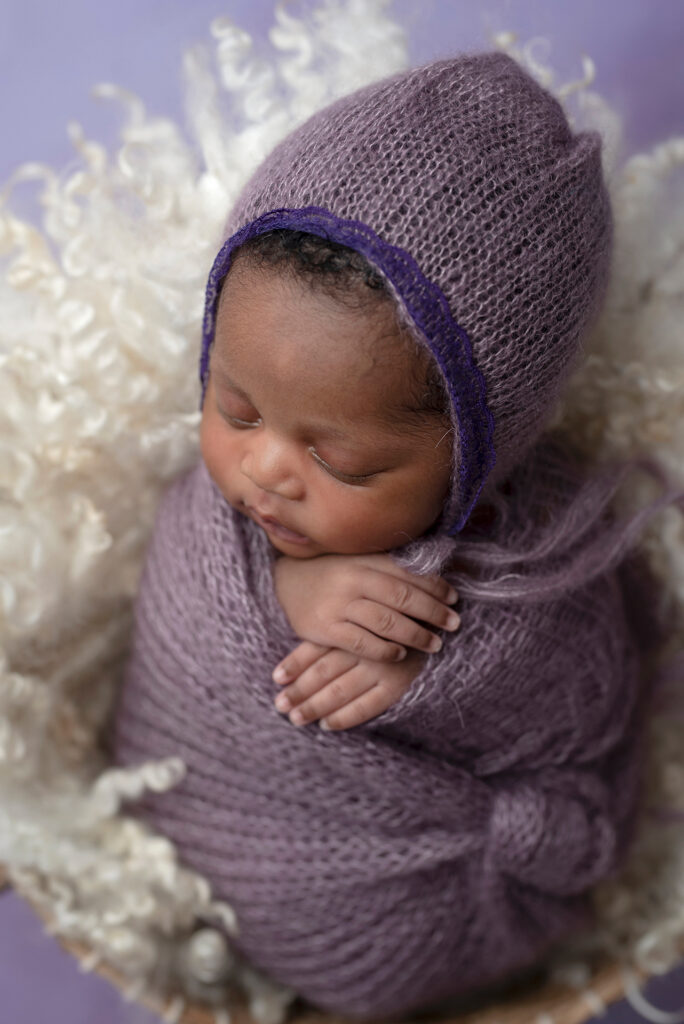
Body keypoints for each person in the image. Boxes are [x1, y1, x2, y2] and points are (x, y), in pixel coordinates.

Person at [111, 52, 684, 1020]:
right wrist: (288, 595)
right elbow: (183, 591)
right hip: (172, 834)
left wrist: (430, 668)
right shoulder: (221, 518)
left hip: (406, 915)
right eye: (236, 407)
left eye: (342, 462)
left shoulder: (541, 575)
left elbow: (587, 729)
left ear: (479, 458)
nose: (266, 470)